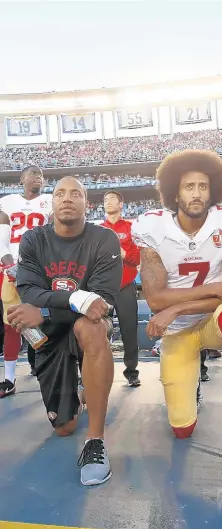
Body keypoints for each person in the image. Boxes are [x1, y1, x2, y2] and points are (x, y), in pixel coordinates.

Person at [132, 149, 222, 487]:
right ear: (174, 192)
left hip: (210, 323)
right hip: (177, 334)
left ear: (214, 190)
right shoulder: (151, 227)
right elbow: (156, 298)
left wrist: (177, 307)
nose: (196, 193)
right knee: (182, 430)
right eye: (188, 186)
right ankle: (191, 390)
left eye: (203, 186)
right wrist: (213, 290)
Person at [8, 177, 122, 485]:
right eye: (60, 193)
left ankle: (95, 440)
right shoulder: (33, 240)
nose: (67, 198)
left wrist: (47, 307)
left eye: (76, 193)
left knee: (92, 326)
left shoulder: (104, 239)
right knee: (64, 428)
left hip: (80, 326)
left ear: (87, 203)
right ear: (52, 202)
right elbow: (29, 291)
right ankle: (81, 397)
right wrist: (74, 299)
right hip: (49, 332)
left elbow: (99, 304)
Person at [0, 165, 52, 398]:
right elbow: (1, 237)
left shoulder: (50, 201)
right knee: (11, 323)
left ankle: (52, 368)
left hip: (41, 268)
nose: (38, 178)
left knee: (45, 320)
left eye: (41, 175)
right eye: (33, 174)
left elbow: (54, 234)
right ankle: (9, 378)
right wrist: (10, 264)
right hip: (11, 268)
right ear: (22, 178)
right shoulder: (8, 202)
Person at [101, 190, 141, 387]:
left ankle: (131, 371)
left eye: (112, 199)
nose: (108, 202)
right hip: (105, 288)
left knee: (129, 330)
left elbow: (137, 258)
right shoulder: (98, 230)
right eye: (105, 200)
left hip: (125, 287)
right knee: (101, 331)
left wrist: (122, 253)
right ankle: (99, 370)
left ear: (121, 204)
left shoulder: (132, 228)